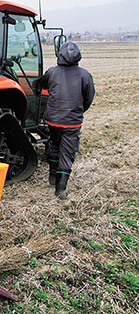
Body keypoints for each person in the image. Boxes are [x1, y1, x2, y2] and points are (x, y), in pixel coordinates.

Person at [35, 41, 95, 199]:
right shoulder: (85, 75)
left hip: (53, 120)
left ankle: (52, 177)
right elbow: (88, 98)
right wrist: (78, 110)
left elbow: (40, 85)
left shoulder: (52, 72)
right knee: (67, 152)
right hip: (72, 121)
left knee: (54, 145)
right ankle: (60, 190)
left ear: (59, 55)